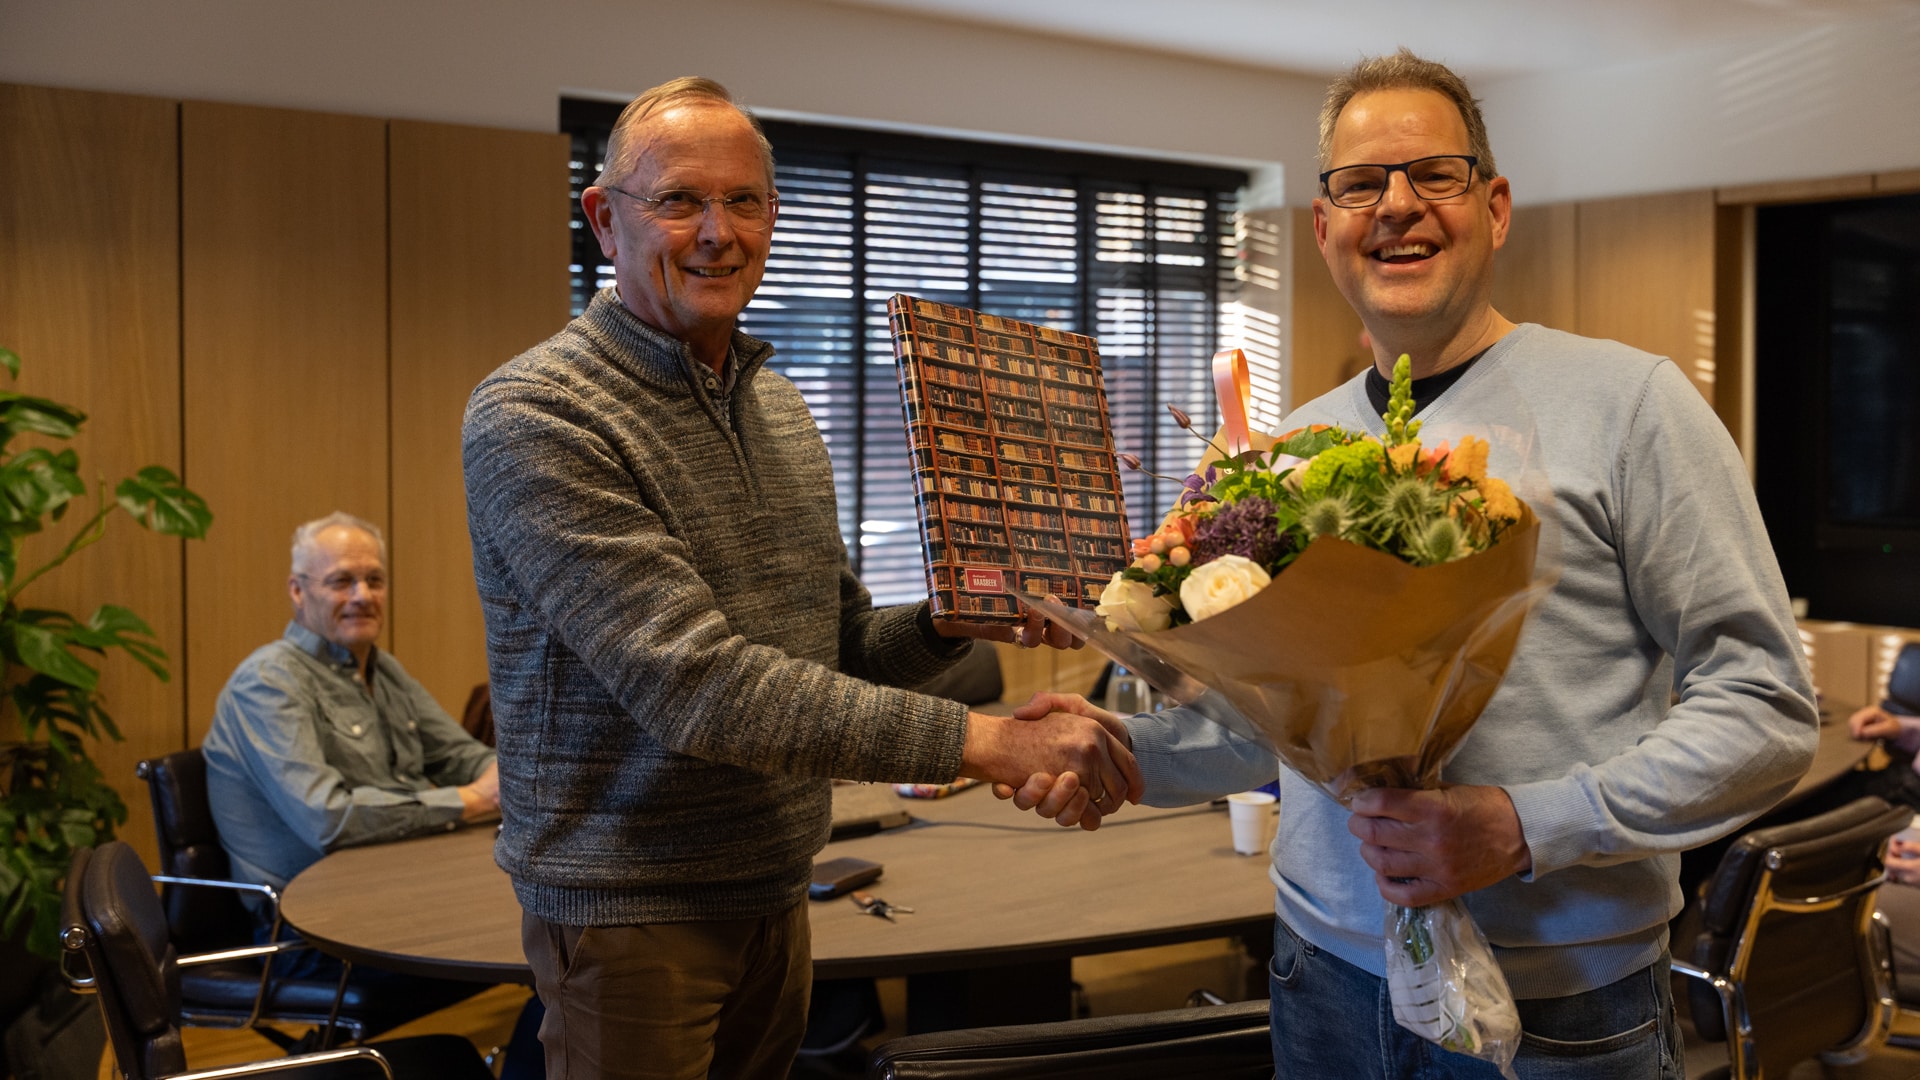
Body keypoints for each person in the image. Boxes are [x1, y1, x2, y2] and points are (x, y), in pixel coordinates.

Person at [1008, 49, 1818, 1079]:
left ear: (1495, 207)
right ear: (1324, 227)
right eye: (1361, 184)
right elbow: (1269, 732)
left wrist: (1524, 825)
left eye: (1435, 174)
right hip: (1322, 982)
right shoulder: (1280, 456)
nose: (1396, 205)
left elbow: (1765, 708)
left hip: (1564, 1005)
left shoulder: (1632, 408)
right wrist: (1117, 751)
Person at [460, 76, 1137, 1080]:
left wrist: (950, 621)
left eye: (744, 201)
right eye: (680, 200)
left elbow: (839, 644)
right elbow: (699, 686)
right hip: (630, 914)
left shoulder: (778, 405)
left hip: (779, 888)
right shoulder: (537, 415)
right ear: (605, 219)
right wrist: (992, 742)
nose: (718, 232)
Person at [201, 513, 542, 1071]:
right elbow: (329, 818)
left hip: (394, 896)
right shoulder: (267, 683)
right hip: (310, 939)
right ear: (297, 591)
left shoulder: (383, 671)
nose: (362, 595)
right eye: (341, 581)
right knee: (546, 952)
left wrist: (510, 780)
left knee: (556, 939)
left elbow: (463, 757)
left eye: (374, 580)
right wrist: (471, 800)